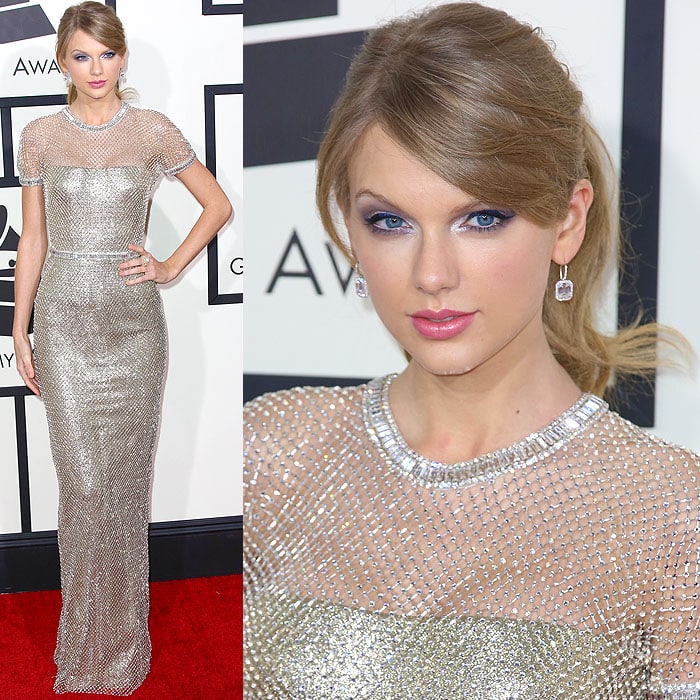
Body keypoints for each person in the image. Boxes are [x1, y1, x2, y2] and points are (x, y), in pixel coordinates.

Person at [243, 3, 700, 698]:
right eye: (389, 221)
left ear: (567, 223)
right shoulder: (269, 457)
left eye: (481, 218)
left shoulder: (671, 514)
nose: (432, 274)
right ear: (349, 226)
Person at [12, 2, 232, 695]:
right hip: (65, 328)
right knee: (82, 488)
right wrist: (18, 329)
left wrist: (169, 265)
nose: (96, 69)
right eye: (81, 56)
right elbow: (35, 240)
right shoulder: (40, 136)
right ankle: (83, 653)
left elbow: (216, 205)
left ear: (123, 57)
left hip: (134, 328)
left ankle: (123, 652)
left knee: (125, 490)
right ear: (61, 62)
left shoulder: (153, 132)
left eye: (107, 54)